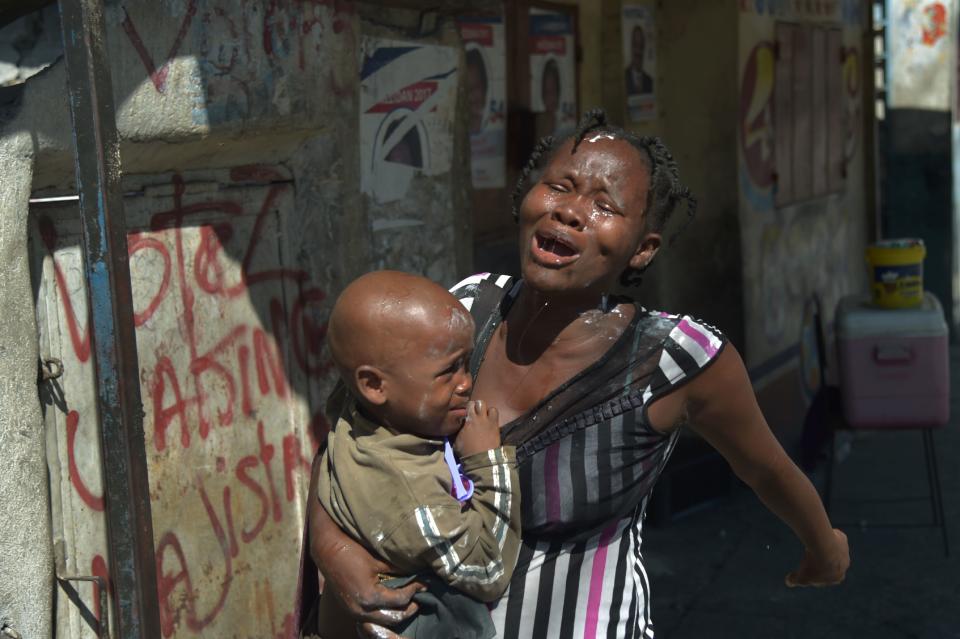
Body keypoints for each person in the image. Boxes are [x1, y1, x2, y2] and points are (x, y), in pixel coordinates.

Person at [301, 110, 849, 638]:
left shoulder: (676, 358)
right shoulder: (465, 311)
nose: (570, 211)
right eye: (559, 187)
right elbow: (350, 451)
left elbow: (767, 469)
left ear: (642, 250)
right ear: (527, 198)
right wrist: (337, 555)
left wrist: (823, 546)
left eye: (605, 205)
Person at [305, 270, 522, 639]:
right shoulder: (410, 495)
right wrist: (488, 461)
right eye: (449, 370)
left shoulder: (355, 410)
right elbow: (487, 570)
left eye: (467, 364)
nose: (467, 382)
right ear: (373, 385)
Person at [625, 24, 654, 96]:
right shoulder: (623, 78)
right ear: (631, 47)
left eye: (641, 46)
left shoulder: (649, 81)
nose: (638, 51)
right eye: (635, 45)